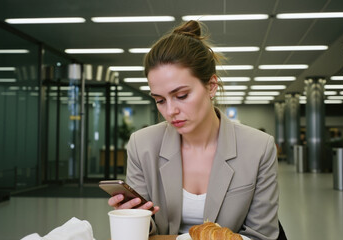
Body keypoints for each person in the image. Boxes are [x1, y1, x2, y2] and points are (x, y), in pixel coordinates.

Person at [108, 20, 280, 240]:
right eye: (160, 100)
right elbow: (144, 236)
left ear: (211, 86)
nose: (170, 111)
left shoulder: (258, 148)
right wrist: (132, 219)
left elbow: (262, 236)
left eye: (181, 96)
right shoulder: (142, 145)